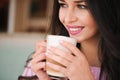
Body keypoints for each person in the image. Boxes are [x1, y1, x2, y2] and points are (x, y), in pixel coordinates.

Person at [21, 0, 120, 80]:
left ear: (107, 9)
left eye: (81, 6)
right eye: (63, 5)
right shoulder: (41, 65)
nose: (68, 19)